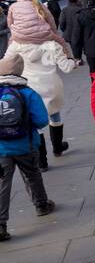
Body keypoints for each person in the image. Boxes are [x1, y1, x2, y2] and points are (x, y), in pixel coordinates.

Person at [3, 31, 79, 168]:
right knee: (55, 116)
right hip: (51, 85)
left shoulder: (16, 45)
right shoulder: (52, 44)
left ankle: (42, 161)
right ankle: (57, 148)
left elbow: (6, 63)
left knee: (34, 123)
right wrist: (73, 62)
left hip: (30, 87)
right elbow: (66, 68)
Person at [0, 54, 54, 242]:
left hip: (1, 150)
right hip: (26, 145)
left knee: (2, 184)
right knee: (32, 175)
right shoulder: (28, 92)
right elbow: (41, 120)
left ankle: (1, 224)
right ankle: (41, 205)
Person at [6, 0, 74, 58]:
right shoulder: (39, 5)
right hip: (42, 35)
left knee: (10, 47)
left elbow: (10, 24)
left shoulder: (13, 6)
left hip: (20, 36)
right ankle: (69, 58)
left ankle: (9, 61)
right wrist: (55, 33)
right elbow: (51, 21)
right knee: (61, 42)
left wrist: (19, 30)